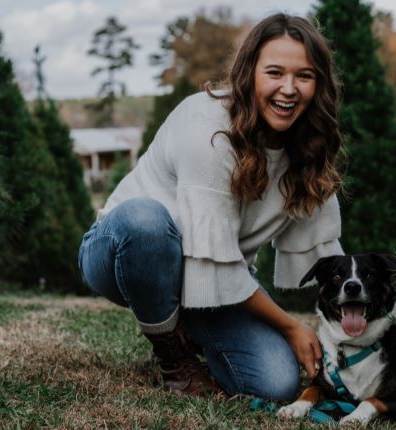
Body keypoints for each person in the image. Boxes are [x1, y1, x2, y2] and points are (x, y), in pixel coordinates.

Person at [78, 13, 343, 400]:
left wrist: (372, 305)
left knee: (276, 383)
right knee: (146, 221)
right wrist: (290, 326)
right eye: (274, 73)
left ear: (318, 83)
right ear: (249, 72)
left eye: (304, 75)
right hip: (123, 251)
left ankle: (187, 327)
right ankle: (173, 357)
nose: (289, 89)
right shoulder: (209, 124)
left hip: (210, 280)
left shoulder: (308, 143)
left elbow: (323, 249)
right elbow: (212, 261)